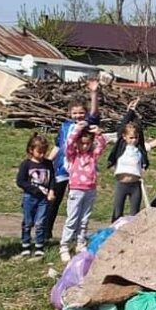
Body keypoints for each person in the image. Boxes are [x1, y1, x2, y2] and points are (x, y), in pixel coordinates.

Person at [44, 78, 100, 245]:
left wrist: (94, 93)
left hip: (80, 170)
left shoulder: (87, 125)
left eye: (81, 112)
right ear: (69, 113)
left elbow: (94, 113)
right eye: (75, 113)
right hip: (61, 169)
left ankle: (75, 237)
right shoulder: (65, 126)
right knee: (54, 200)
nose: (78, 116)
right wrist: (47, 162)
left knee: (77, 205)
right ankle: (46, 233)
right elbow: (58, 145)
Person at [60, 121, 109, 262]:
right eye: (82, 143)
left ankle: (80, 243)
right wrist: (77, 130)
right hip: (76, 190)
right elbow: (69, 144)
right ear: (77, 143)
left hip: (90, 190)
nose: (85, 146)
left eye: (88, 143)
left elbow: (102, 145)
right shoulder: (73, 155)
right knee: (72, 219)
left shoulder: (93, 156)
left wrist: (98, 133)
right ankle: (64, 246)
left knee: (84, 219)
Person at [107, 99, 149, 221]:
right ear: (124, 137)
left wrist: (136, 115)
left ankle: (132, 231)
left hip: (135, 185)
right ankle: (114, 230)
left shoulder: (139, 148)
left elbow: (139, 131)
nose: (133, 140)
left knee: (134, 214)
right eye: (131, 137)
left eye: (135, 137)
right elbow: (122, 127)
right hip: (122, 184)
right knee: (117, 212)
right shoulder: (122, 145)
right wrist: (130, 111)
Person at [16, 133, 55, 258]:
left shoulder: (48, 164)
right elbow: (20, 182)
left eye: (44, 152)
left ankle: (39, 245)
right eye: (39, 152)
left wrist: (51, 191)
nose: (42, 155)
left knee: (40, 222)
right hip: (30, 198)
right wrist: (35, 190)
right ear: (31, 150)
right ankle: (26, 244)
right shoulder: (26, 164)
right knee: (28, 222)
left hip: (44, 199)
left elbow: (52, 179)